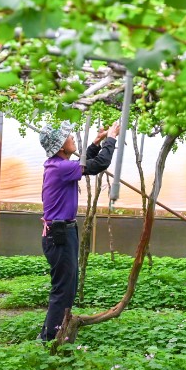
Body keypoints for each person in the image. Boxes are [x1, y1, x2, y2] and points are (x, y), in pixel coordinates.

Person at [38, 119, 120, 341]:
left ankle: (55, 332)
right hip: (59, 235)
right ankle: (50, 338)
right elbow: (99, 164)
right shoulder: (60, 167)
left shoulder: (60, 165)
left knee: (68, 286)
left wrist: (96, 141)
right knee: (63, 288)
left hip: (64, 232)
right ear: (60, 146)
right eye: (68, 136)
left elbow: (88, 162)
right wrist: (111, 138)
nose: (72, 136)